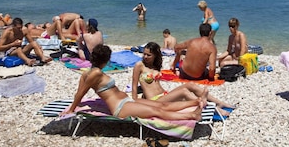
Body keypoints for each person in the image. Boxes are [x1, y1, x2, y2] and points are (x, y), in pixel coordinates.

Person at [61, 44, 204, 121]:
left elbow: (79, 91)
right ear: (105, 59)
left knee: (162, 104)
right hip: (120, 108)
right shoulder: (95, 73)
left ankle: (195, 103)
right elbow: (81, 92)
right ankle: (192, 115)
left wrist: (76, 104)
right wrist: (72, 109)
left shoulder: (90, 73)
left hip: (126, 100)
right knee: (157, 111)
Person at [132, 42, 234, 115]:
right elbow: (134, 86)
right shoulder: (139, 65)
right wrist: (136, 101)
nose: (145, 56)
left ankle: (219, 102)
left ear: (155, 56)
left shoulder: (155, 66)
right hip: (154, 101)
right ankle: (214, 109)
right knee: (184, 92)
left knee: (190, 85)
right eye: (144, 54)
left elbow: (154, 86)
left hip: (163, 96)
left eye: (148, 55)